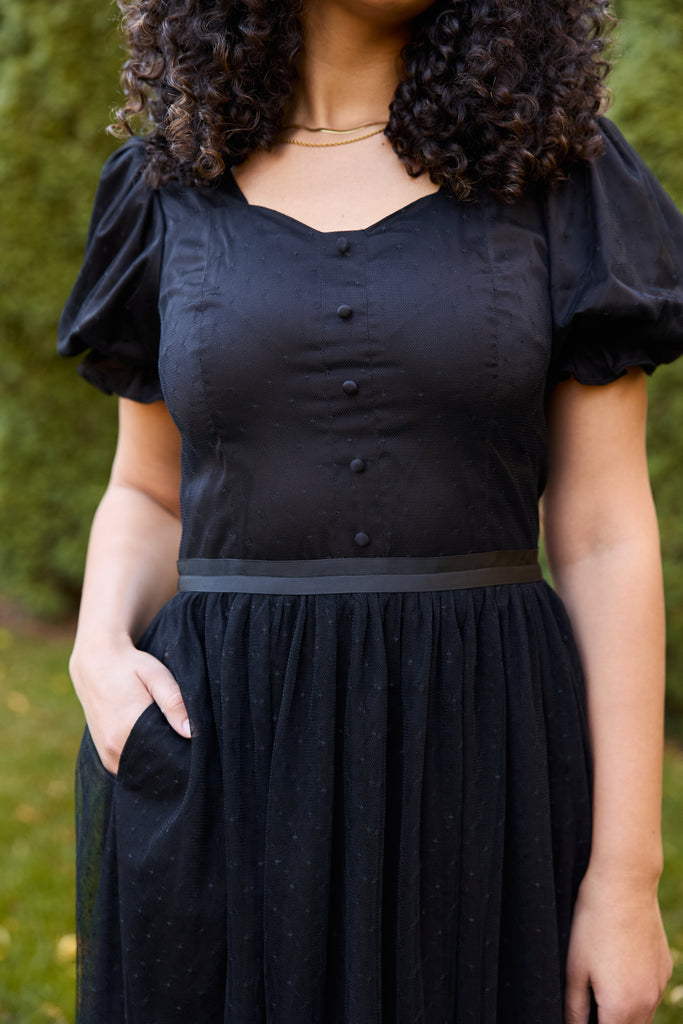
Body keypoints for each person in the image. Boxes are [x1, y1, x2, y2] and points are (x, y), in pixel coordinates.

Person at [58, 0, 683, 1021]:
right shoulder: (164, 184)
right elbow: (147, 490)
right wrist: (95, 644)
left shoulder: (557, 171)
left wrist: (623, 876)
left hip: (481, 760)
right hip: (223, 756)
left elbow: (605, 530)